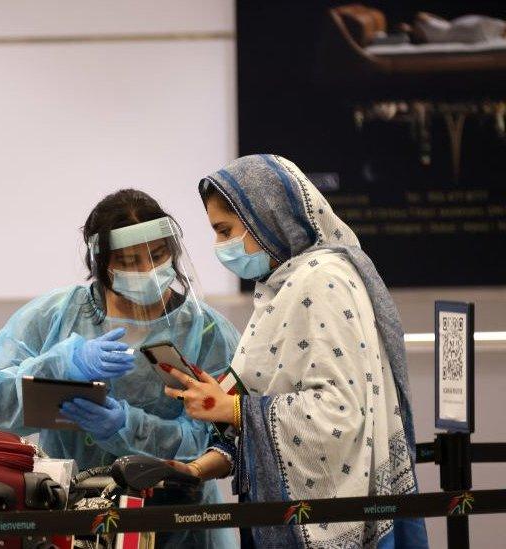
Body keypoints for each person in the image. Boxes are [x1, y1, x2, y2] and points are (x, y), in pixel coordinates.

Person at [164, 155, 428, 548]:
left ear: (266, 217)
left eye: (225, 230)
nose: (220, 246)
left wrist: (232, 409)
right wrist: (194, 469)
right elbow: (259, 405)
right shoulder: (280, 286)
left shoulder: (321, 280)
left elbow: (339, 413)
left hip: (324, 524)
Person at [0, 189, 240, 548]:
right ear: (102, 264)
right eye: (129, 262)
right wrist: (66, 364)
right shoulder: (58, 315)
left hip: (177, 524)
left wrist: (126, 426)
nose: (146, 270)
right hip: (74, 514)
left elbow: (216, 443)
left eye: (157, 255)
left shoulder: (206, 332)